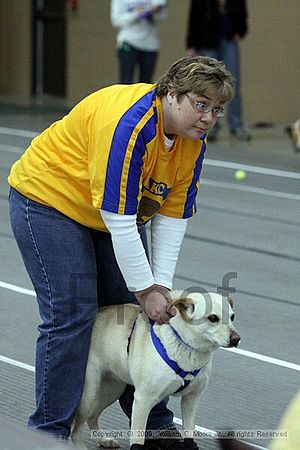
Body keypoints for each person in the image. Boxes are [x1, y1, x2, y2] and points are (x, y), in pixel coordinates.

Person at [7, 56, 234, 446]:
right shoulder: (131, 127)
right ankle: (48, 433)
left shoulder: (192, 145)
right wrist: (145, 290)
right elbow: (122, 221)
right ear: (172, 94)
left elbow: (171, 218)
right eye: (201, 104)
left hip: (104, 214)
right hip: (48, 201)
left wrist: (159, 286)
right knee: (72, 314)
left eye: (217, 109)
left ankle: (156, 427)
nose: (209, 117)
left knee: (130, 314)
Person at [186, 0, 251, 142]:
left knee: (233, 84)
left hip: (229, 39)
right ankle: (209, 126)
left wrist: (241, 30)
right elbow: (194, 16)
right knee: (209, 86)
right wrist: (191, 44)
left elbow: (243, 13)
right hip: (207, 41)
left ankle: (236, 125)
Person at [111, 0, 167, 84]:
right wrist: (138, 13)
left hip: (150, 44)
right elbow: (116, 20)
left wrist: (153, 13)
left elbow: (162, 16)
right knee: (125, 82)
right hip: (128, 41)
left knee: (146, 84)